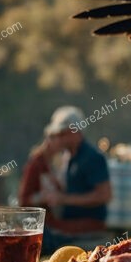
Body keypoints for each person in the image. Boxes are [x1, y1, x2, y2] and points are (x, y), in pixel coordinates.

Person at [41, 106, 112, 252]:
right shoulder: (68, 156)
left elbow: (104, 195)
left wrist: (63, 199)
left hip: (87, 224)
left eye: (62, 134)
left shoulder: (92, 157)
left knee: (42, 238)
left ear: (75, 131)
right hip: (69, 222)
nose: (58, 138)